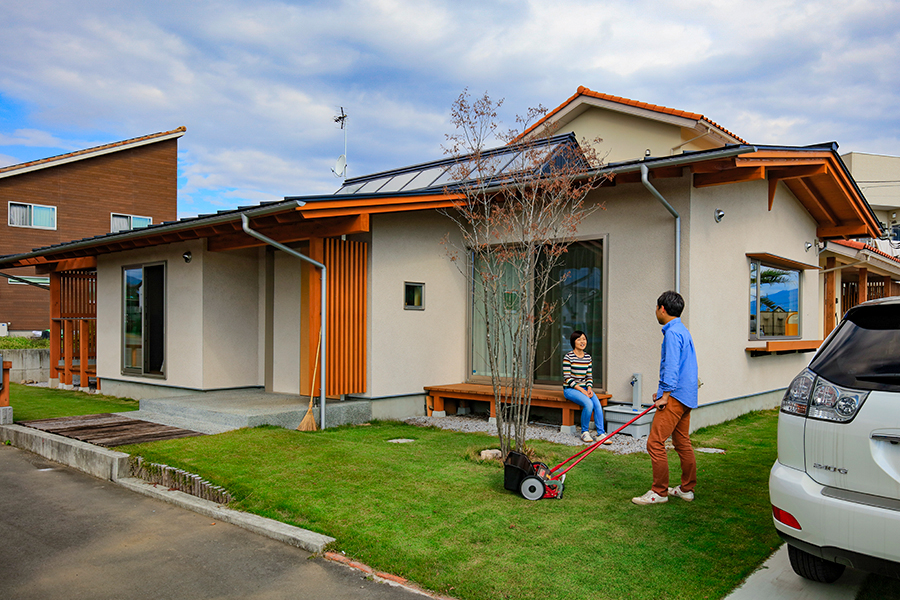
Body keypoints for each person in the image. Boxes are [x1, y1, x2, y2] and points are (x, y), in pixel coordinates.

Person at [632, 290, 698, 506]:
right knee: (682, 442)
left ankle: (659, 492)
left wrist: (666, 395)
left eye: (656, 308)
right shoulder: (682, 330)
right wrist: (662, 392)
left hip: (676, 396)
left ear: (662, 309)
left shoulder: (671, 333)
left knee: (654, 443)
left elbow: (671, 366)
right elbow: (681, 366)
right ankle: (687, 490)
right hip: (686, 395)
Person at [562, 330, 611, 444]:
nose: (582, 341)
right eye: (579, 339)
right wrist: (582, 391)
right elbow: (568, 379)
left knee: (597, 405)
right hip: (571, 389)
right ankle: (584, 432)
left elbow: (589, 376)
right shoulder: (568, 357)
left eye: (584, 339)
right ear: (573, 342)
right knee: (588, 404)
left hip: (585, 389)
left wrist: (589, 389)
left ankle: (601, 434)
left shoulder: (587, 357)